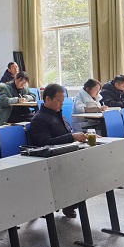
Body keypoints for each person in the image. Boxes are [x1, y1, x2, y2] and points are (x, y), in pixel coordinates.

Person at [29, 84, 87, 219]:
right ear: (48, 99)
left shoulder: (59, 115)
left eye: (63, 101)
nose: (61, 104)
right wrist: (71, 137)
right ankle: (68, 202)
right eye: (58, 101)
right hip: (49, 160)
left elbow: (67, 135)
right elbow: (44, 143)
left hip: (65, 154)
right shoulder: (39, 119)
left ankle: (70, 203)